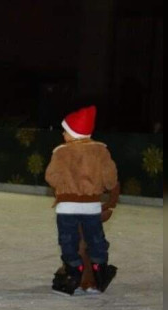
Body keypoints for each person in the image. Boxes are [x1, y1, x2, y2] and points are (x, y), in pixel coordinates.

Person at [45, 105, 118, 295]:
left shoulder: (61, 152)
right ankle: (98, 271)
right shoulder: (101, 151)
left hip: (67, 207)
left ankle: (73, 270)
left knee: (68, 241)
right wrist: (102, 186)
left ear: (73, 133)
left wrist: (63, 186)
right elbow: (111, 179)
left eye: (65, 131)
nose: (63, 134)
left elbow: (50, 177)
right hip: (91, 206)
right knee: (96, 239)